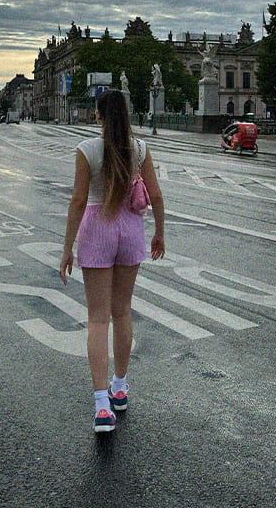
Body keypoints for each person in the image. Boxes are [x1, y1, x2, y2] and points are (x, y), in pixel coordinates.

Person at [60, 89, 166, 433]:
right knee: (122, 312)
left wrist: (67, 248)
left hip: (97, 228)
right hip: (131, 229)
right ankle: (119, 387)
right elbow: (156, 193)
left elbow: (78, 201)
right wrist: (159, 232)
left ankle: (102, 408)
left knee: (97, 319)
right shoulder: (140, 149)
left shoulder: (86, 149)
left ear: (98, 115)